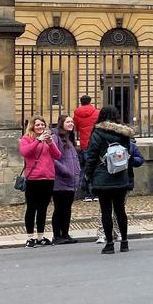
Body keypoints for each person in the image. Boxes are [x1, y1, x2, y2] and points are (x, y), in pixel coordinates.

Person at [83, 105, 135, 254]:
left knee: (106, 211)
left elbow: (91, 156)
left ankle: (110, 244)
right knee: (120, 210)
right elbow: (128, 155)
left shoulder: (97, 133)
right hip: (120, 175)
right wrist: (129, 175)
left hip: (103, 176)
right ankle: (124, 242)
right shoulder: (124, 133)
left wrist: (88, 174)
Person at [18, 116, 60, 247]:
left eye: (42, 125)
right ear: (32, 126)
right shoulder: (26, 139)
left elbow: (57, 155)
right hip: (33, 179)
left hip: (48, 178)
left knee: (43, 208)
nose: (40, 127)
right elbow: (25, 152)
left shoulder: (49, 139)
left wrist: (50, 143)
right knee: (31, 208)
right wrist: (37, 140)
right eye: (38, 125)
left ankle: (40, 236)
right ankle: (30, 237)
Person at [50, 115, 80, 244]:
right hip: (60, 179)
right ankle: (57, 235)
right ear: (61, 123)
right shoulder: (55, 138)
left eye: (72, 121)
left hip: (71, 180)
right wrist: (65, 170)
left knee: (67, 209)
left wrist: (77, 170)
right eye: (68, 121)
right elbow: (53, 158)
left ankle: (65, 234)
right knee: (59, 208)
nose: (71, 123)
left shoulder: (70, 137)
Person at [73, 94, 101, 202]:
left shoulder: (77, 113)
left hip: (85, 144)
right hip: (95, 143)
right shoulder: (96, 112)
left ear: (81, 101)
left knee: (86, 168)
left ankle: (88, 194)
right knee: (96, 168)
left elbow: (75, 128)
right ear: (90, 101)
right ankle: (96, 192)